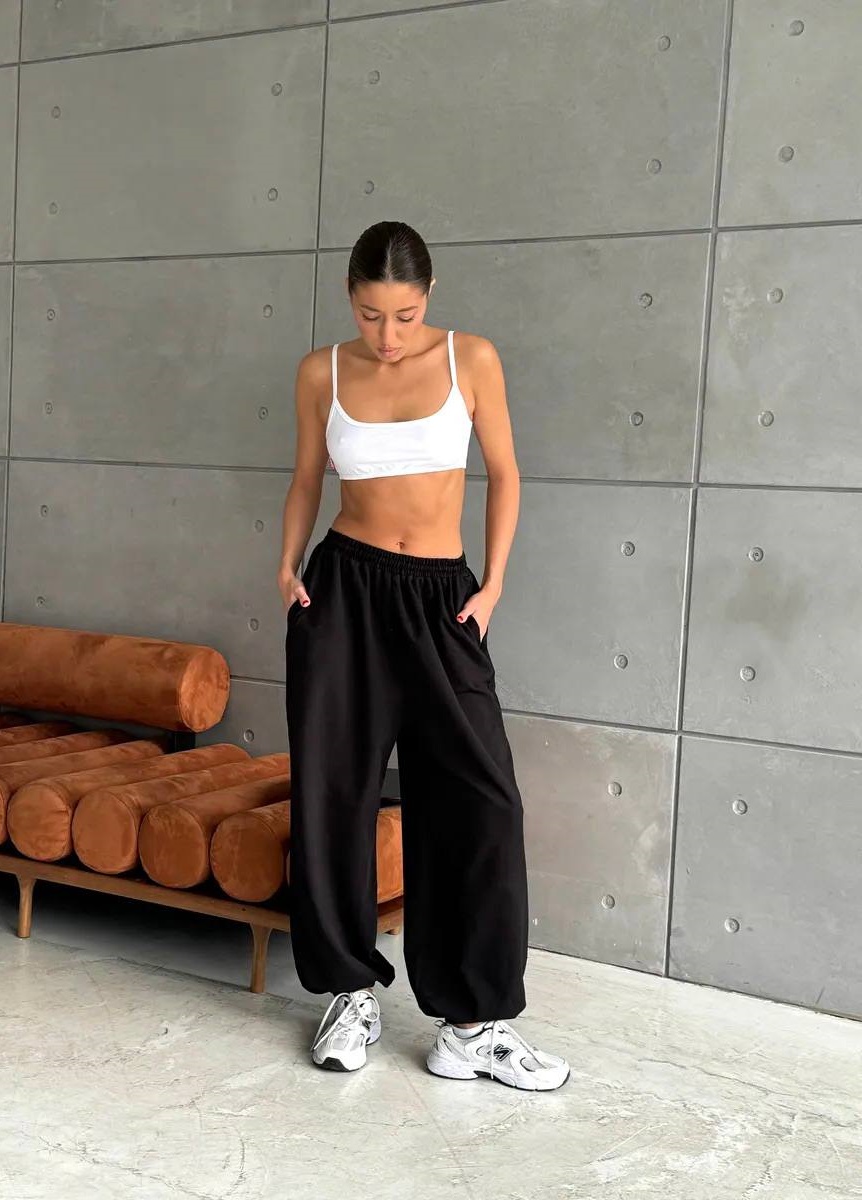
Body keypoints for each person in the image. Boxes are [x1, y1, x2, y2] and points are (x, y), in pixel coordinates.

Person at [278, 220, 570, 1091]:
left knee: (481, 802)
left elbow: (506, 472)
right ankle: (347, 993)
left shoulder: (470, 359)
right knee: (335, 792)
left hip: (442, 596)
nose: (388, 335)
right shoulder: (321, 372)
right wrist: (287, 566)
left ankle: (471, 1024)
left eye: (404, 316)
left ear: (428, 296)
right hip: (344, 592)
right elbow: (307, 477)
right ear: (350, 299)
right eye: (371, 315)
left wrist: (494, 585)